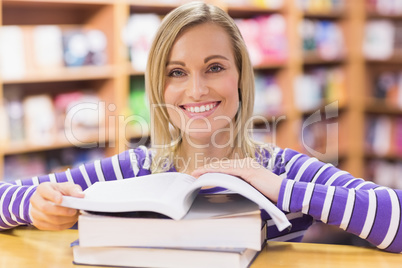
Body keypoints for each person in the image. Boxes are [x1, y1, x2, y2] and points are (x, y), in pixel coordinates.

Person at [1, 1, 401, 253]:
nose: (196, 89)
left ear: (241, 77)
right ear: (159, 86)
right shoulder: (135, 168)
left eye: (214, 67)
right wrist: (35, 204)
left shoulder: (280, 169)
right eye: (176, 72)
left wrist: (280, 190)